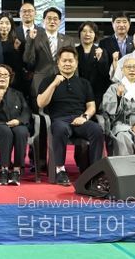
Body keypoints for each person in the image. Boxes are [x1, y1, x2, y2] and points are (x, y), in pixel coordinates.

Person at [37, 46, 104, 186]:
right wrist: (54, 84)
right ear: (58, 63)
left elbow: (91, 106)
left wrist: (84, 117)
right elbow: (41, 103)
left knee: (97, 130)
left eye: (71, 61)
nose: (67, 63)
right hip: (59, 120)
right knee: (61, 129)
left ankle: (95, 172)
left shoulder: (84, 83)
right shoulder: (48, 81)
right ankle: (60, 170)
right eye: (64, 61)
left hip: (80, 119)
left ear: (76, 63)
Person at [23, 7, 77, 99]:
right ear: (44, 20)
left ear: (59, 21)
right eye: (49, 18)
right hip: (40, 82)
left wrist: (75, 83)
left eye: (55, 19)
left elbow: (74, 64)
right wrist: (30, 40)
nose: (52, 21)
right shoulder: (34, 37)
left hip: (62, 82)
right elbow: (28, 60)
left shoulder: (69, 40)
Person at [76, 21, 110, 110]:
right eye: (84, 31)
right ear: (80, 34)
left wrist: (100, 60)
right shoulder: (74, 51)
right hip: (78, 92)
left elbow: (105, 74)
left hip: (96, 94)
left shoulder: (102, 51)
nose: (87, 34)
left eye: (91, 32)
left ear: (95, 35)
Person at [0, 11, 25, 92]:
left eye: (7, 23)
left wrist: (16, 50)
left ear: (11, 26)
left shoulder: (17, 42)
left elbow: (21, 64)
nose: (4, 26)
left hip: (14, 82)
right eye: (1, 23)